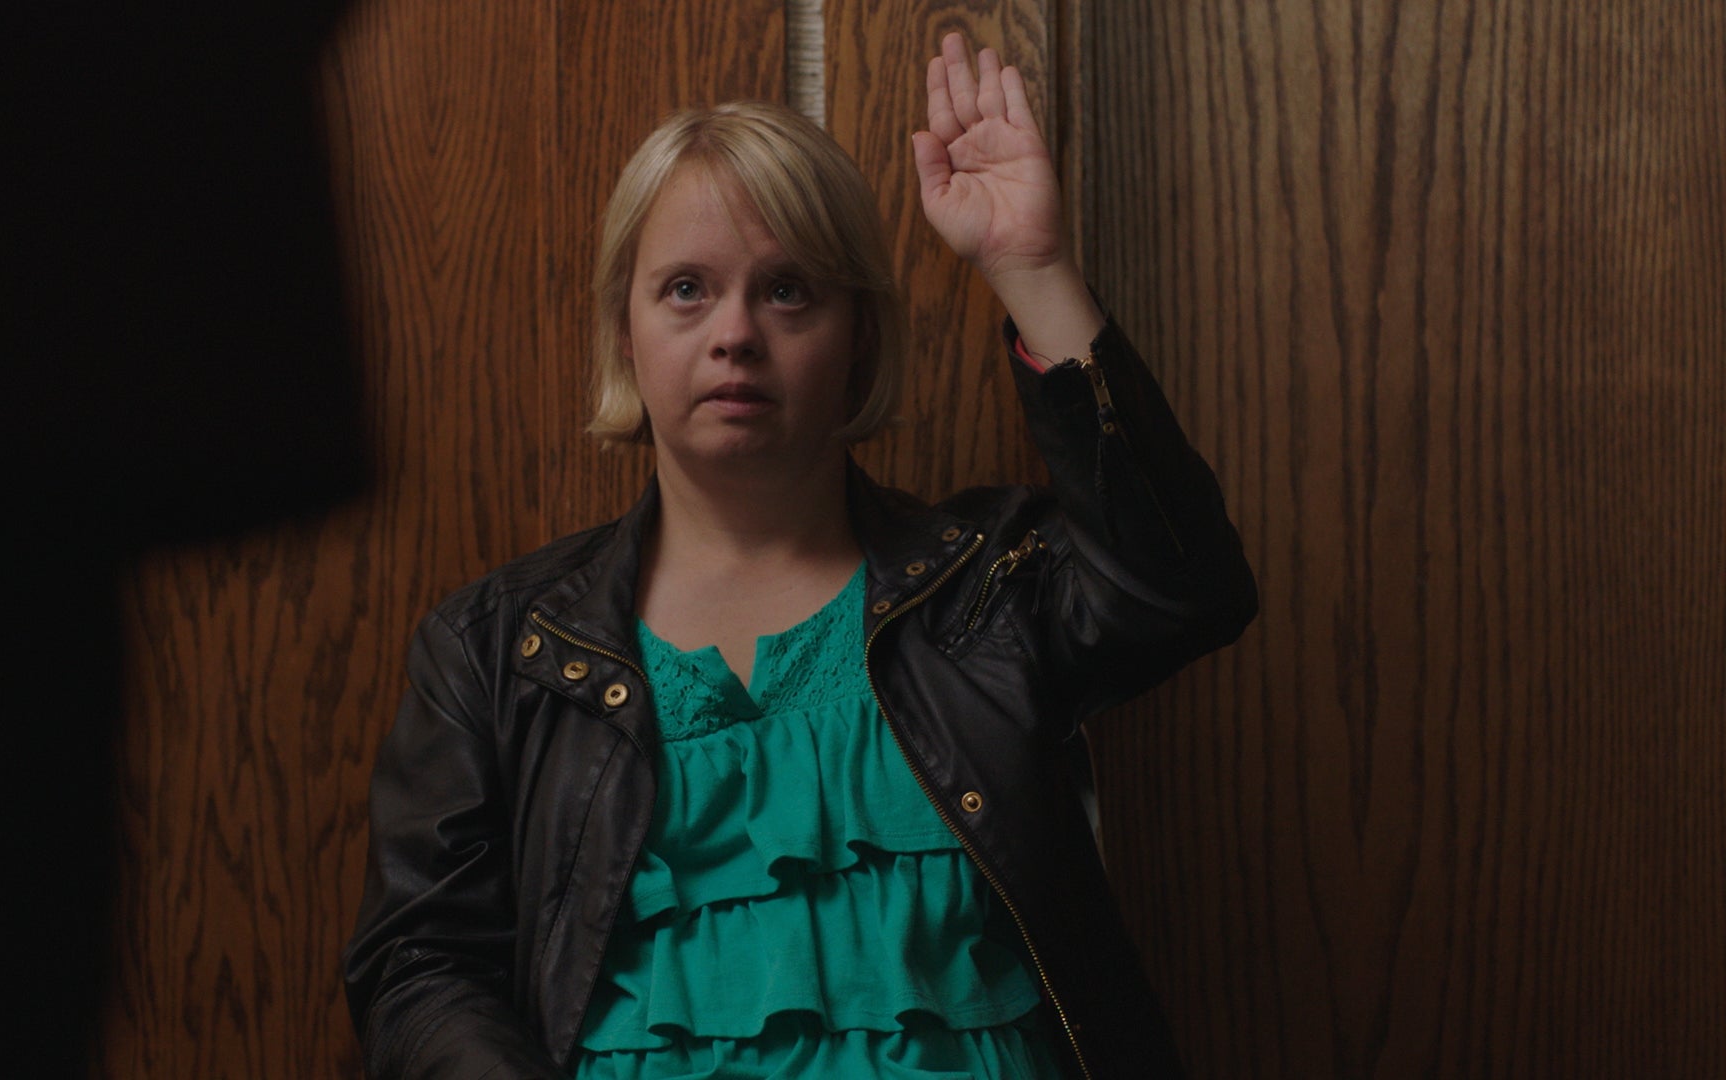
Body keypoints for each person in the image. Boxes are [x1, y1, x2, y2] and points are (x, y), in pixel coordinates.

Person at [343, 32, 1255, 1079]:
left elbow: (1188, 590)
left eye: (788, 291)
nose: (734, 332)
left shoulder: (986, 589)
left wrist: (1032, 268)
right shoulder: (496, 650)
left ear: (857, 338)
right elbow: (419, 965)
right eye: (685, 289)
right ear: (624, 332)